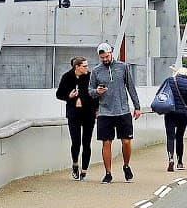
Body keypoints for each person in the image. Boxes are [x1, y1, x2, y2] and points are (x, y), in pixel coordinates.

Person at [89, 42, 142, 183]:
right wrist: (97, 91)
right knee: (106, 143)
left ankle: (126, 165)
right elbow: (90, 91)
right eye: (102, 58)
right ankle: (108, 173)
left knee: (126, 142)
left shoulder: (123, 67)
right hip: (104, 112)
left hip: (122, 110)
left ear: (111, 53)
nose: (105, 59)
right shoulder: (96, 71)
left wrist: (137, 107)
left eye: (106, 56)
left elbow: (131, 87)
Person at [55, 56, 98, 180]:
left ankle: (84, 171)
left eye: (87, 66)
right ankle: (75, 164)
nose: (87, 68)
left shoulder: (90, 77)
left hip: (88, 113)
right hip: (74, 114)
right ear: (77, 67)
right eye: (84, 66)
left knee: (86, 143)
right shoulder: (67, 77)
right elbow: (59, 94)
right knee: (76, 142)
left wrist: (96, 109)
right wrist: (69, 96)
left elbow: (95, 94)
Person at [158, 65, 187, 172]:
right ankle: (180, 162)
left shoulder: (169, 81)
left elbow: (160, 92)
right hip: (183, 113)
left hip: (170, 112)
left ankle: (170, 159)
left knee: (170, 137)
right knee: (179, 137)